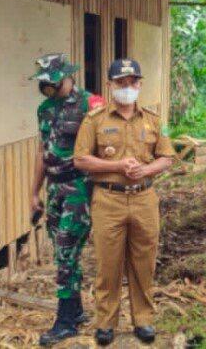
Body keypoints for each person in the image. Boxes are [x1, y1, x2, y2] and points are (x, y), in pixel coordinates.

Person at [73, 59, 175, 346]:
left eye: (132, 82)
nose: (127, 88)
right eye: (121, 83)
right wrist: (118, 166)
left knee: (144, 263)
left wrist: (145, 170)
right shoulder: (94, 121)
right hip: (108, 199)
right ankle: (105, 323)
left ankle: (143, 319)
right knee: (108, 264)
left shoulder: (154, 120)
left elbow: (167, 157)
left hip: (144, 198)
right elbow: (80, 159)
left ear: (140, 84)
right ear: (110, 85)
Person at [29, 53, 104, 346]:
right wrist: (33, 192)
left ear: (69, 76)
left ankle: (65, 321)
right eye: (44, 82)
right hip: (54, 188)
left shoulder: (91, 104)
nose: (48, 87)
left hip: (79, 187)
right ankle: (75, 309)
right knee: (64, 253)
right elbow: (42, 151)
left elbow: (108, 141)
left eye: (53, 82)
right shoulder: (45, 109)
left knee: (65, 251)